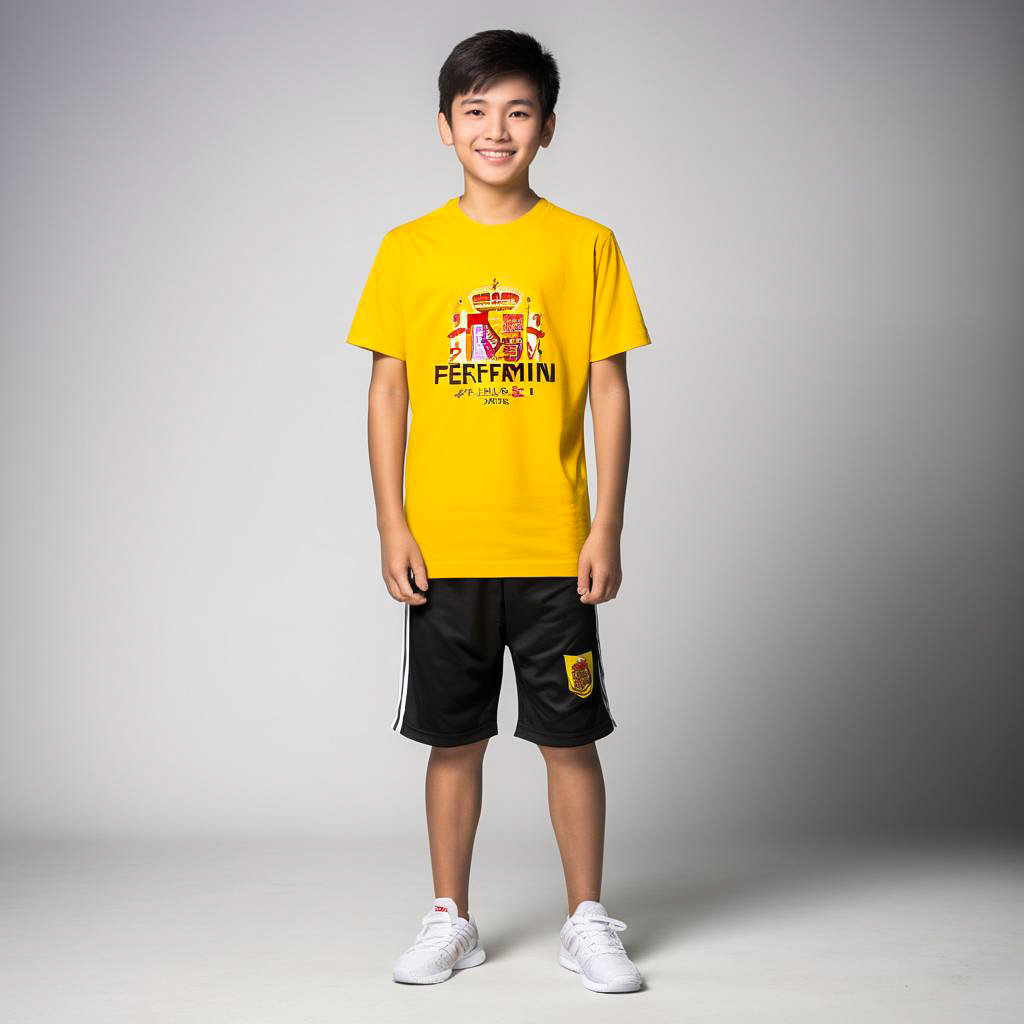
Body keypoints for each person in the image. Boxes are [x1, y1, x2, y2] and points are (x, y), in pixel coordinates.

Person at [344, 28, 652, 994]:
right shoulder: (409, 249)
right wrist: (392, 521)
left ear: (547, 127)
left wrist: (605, 522)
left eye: (517, 110)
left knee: (571, 736)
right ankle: (451, 917)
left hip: (555, 541)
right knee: (454, 737)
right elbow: (388, 390)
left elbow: (609, 389)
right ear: (444, 127)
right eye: (475, 110)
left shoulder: (585, 245)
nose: (496, 128)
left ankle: (587, 919)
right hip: (447, 545)